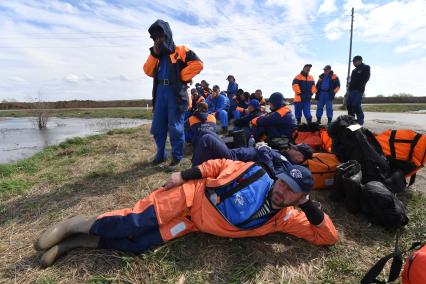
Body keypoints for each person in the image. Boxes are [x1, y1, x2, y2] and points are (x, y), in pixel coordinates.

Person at [34, 159, 338, 268]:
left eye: (291, 192)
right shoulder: (256, 173)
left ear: (299, 197)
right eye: (283, 183)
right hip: (188, 198)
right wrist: (184, 175)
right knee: (135, 222)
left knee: (137, 244)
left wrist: (309, 207)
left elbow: (328, 238)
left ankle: (75, 243)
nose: (281, 191)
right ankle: (76, 224)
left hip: (190, 224)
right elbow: (217, 165)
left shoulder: (286, 218)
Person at [143, 19, 203, 166]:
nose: (158, 40)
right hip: (160, 94)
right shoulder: (156, 56)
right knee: (158, 127)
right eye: (155, 38)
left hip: (175, 94)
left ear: (167, 35)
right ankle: (160, 155)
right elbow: (147, 71)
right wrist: (154, 54)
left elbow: (198, 64)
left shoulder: (181, 50)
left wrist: (182, 76)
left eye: (160, 36)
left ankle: (176, 157)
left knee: (175, 127)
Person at [191, 130, 313, 170]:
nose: (290, 147)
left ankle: (194, 173)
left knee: (207, 139)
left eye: (293, 148)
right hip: (236, 153)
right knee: (205, 131)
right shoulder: (283, 154)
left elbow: (269, 171)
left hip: (234, 160)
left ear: (299, 158)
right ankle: (199, 162)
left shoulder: (286, 165)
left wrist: (264, 149)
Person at [347, 55, 370, 125]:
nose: (353, 63)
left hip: (358, 90)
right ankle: (351, 123)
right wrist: (349, 81)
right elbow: (350, 81)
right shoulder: (354, 70)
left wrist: (358, 86)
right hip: (350, 90)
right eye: (353, 62)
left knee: (356, 106)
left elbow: (366, 78)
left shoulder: (365, 67)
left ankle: (360, 122)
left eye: (354, 61)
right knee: (349, 107)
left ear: (360, 60)